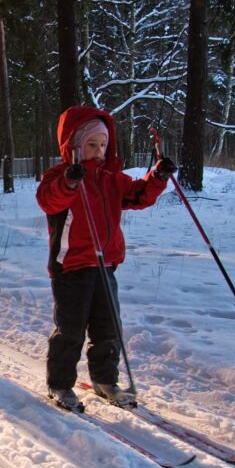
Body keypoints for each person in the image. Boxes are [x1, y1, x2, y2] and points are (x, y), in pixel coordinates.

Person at [36, 105, 177, 408]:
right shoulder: (59, 176)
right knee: (71, 330)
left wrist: (158, 177)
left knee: (108, 327)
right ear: (74, 145)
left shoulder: (112, 178)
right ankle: (60, 385)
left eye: (102, 145)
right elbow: (49, 200)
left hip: (106, 265)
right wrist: (70, 182)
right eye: (91, 144)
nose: (98, 151)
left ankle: (105, 380)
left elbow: (138, 196)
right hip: (71, 267)